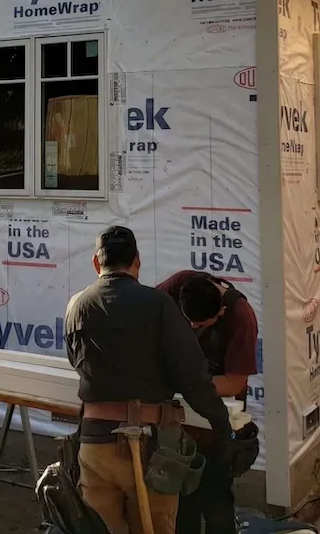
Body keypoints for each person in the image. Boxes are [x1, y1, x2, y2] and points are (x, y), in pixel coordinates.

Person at [65, 226, 234, 534]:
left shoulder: (76, 305)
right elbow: (192, 376)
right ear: (137, 262)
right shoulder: (159, 304)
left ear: (96, 262)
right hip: (149, 449)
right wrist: (222, 425)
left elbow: (77, 362)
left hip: (94, 444)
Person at [156, 271, 260, 534]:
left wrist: (186, 381)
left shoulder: (241, 317)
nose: (193, 328)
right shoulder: (176, 286)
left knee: (216, 491)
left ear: (220, 312)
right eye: (189, 321)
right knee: (181, 491)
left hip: (218, 415)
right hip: (179, 415)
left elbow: (234, 383)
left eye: (200, 324)